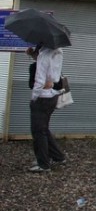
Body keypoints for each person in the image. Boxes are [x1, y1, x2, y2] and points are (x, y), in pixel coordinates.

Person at [29, 43, 67, 172]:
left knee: (38, 131)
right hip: (52, 96)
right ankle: (58, 156)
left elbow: (40, 78)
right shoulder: (58, 50)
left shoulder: (45, 54)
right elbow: (51, 69)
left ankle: (43, 164)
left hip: (43, 97)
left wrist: (35, 96)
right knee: (43, 129)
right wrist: (35, 55)